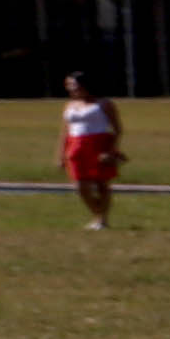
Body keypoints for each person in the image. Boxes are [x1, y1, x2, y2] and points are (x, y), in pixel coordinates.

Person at [60, 74, 124, 229]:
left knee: (101, 183)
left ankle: (102, 220)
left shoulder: (104, 103)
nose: (71, 89)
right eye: (68, 85)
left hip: (98, 145)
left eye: (73, 85)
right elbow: (65, 131)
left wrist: (110, 151)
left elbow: (117, 129)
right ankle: (98, 214)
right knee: (81, 185)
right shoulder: (69, 105)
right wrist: (61, 154)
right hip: (75, 147)